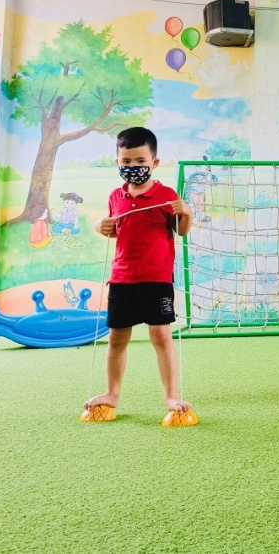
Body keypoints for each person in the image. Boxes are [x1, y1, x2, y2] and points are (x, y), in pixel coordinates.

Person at [84, 127, 193, 418]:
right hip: (122, 279)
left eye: (140, 161)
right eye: (126, 161)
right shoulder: (116, 196)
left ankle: (171, 395)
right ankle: (112, 393)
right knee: (117, 338)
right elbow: (116, 230)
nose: (133, 167)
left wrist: (187, 213)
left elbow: (180, 231)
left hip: (157, 278)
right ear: (117, 162)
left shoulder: (166, 195)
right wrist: (100, 226)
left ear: (154, 163)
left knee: (160, 335)